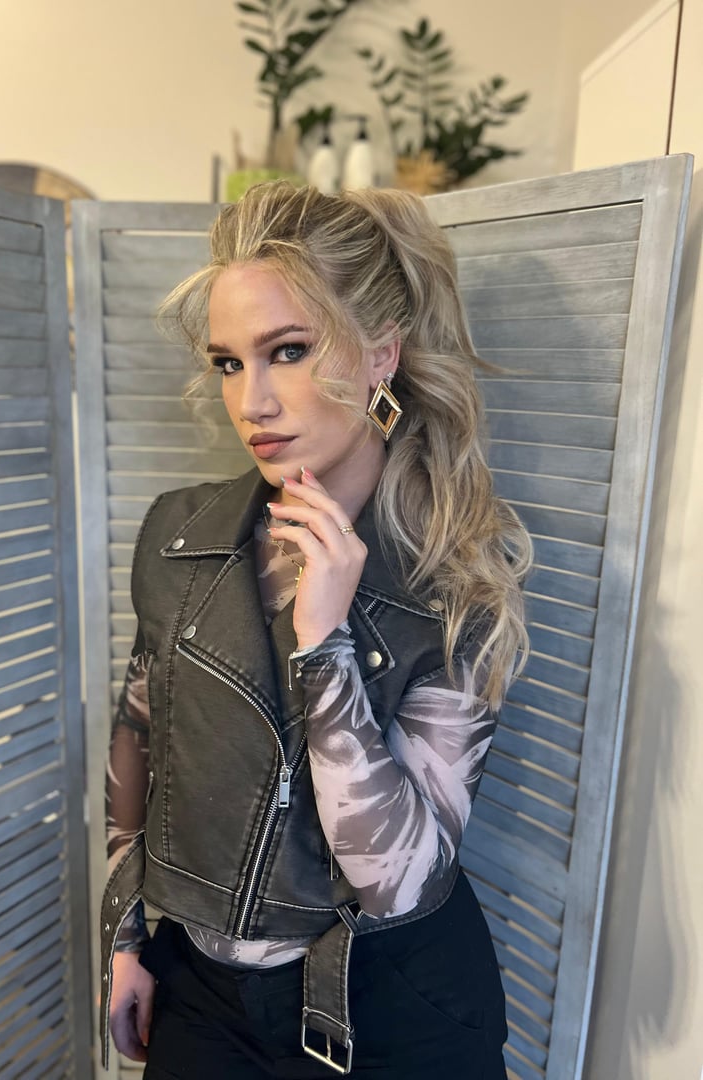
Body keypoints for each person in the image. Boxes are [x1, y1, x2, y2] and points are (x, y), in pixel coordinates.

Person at [100, 180, 531, 1079]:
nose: (251, 401)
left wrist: (325, 640)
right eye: (228, 362)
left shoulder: (461, 582)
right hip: (204, 995)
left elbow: (398, 881)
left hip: (391, 1005)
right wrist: (125, 933)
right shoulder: (180, 534)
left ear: (380, 354)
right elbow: (142, 737)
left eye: (287, 352)